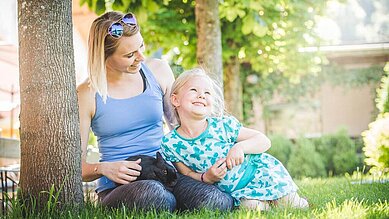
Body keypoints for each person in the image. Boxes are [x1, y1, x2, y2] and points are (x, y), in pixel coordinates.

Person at [77, 11, 233, 212]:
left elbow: (179, 126)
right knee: (154, 195)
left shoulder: (157, 71)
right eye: (129, 54)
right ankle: (173, 204)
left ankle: (174, 202)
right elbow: (76, 167)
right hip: (121, 186)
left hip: (166, 172)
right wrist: (105, 168)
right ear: (104, 55)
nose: (141, 57)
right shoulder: (87, 94)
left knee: (216, 201)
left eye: (140, 46)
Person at [161, 68, 309, 210]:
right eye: (194, 90)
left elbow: (264, 141)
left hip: (260, 173)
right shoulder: (171, 144)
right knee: (252, 209)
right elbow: (186, 174)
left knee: (291, 206)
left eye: (207, 92)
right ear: (175, 100)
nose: (201, 95)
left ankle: (297, 201)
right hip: (240, 191)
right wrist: (206, 177)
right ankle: (267, 202)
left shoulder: (222, 126)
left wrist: (240, 147)